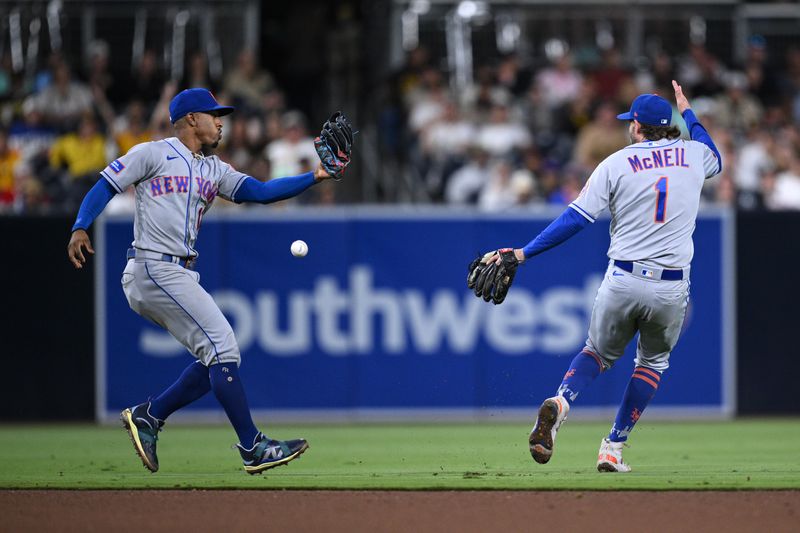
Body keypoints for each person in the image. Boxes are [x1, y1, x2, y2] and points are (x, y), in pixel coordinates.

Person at [67, 88, 348, 474]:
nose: (220, 121)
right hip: (152, 266)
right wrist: (81, 226)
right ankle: (252, 446)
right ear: (190, 119)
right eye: (213, 114)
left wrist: (316, 175)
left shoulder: (214, 169)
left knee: (217, 356)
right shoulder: (153, 153)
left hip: (176, 271)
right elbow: (105, 186)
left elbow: (262, 192)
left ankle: (150, 415)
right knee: (223, 348)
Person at [478, 81, 721, 472]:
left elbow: (575, 218)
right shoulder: (694, 155)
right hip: (670, 287)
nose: (629, 127)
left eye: (631, 122)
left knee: (597, 352)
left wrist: (522, 254)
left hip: (623, 278)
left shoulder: (616, 162)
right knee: (653, 363)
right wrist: (688, 112)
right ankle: (613, 447)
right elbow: (716, 155)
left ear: (638, 127)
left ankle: (562, 401)